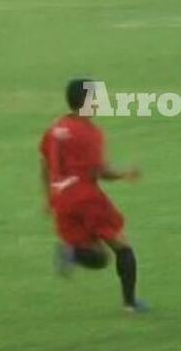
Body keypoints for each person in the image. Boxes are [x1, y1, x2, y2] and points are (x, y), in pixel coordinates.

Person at [41, 79, 147, 313]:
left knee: (99, 256)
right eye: (95, 97)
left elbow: (45, 164)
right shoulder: (90, 133)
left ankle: (72, 253)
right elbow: (100, 172)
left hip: (62, 200)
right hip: (86, 198)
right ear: (86, 101)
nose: (98, 102)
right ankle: (130, 304)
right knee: (123, 247)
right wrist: (125, 174)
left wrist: (48, 198)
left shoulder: (55, 129)